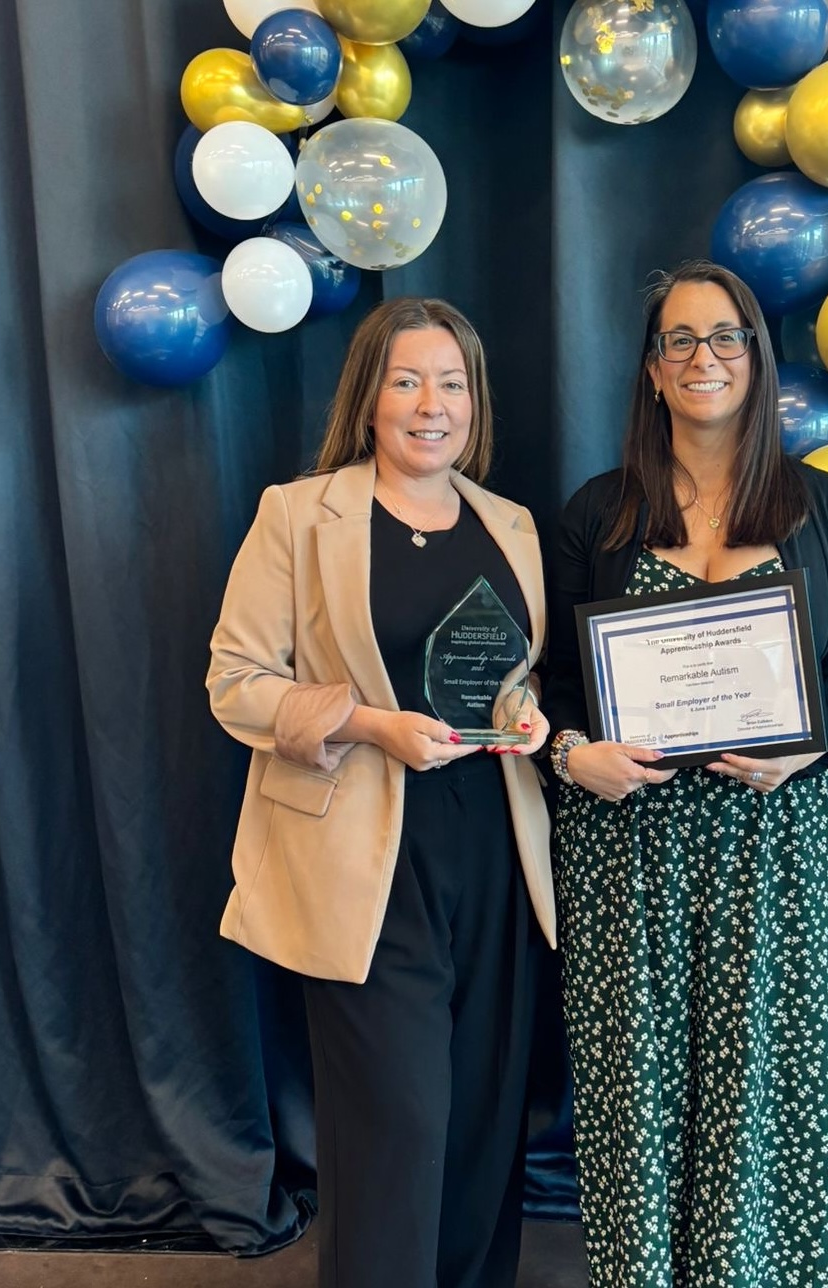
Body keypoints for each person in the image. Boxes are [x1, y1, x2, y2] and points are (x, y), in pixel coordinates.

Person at [542, 261, 828, 1286]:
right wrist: (573, 754)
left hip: (774, 845)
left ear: (756, 357)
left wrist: (805, 743)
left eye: (725, 336)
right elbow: (551, 686)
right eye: (680, 340)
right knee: (634, 1095)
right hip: (627, 849)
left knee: (770, 1088)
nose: (705, 358)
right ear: (651, 370)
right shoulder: (596, 513)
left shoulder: (826, 508)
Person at [207, 297, 554, 1288]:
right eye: (406, 381)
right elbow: (235, 682)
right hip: (366, 857)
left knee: (484, 1117)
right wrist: (368, 723)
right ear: (368, 398)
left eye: (451, 383)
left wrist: (523, 710)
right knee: (395, 1123)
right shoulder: (299, 514)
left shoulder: (511, 524)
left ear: (474, 402)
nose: (430, 404)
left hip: (495, 847)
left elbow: (509, 669)